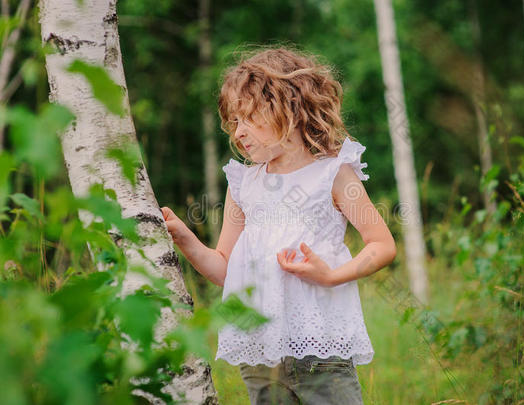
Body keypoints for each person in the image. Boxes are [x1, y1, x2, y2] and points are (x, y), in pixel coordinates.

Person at [161, 46, 396, 405]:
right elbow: (224, 268)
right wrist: (185, 238)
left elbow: (381, 244)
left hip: (321, 347)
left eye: (248, 117)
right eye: (233, 122)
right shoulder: (243, 183)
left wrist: (331, 275)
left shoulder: (334, 173)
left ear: (289, 107)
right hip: (259, 353)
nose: (238, 132)